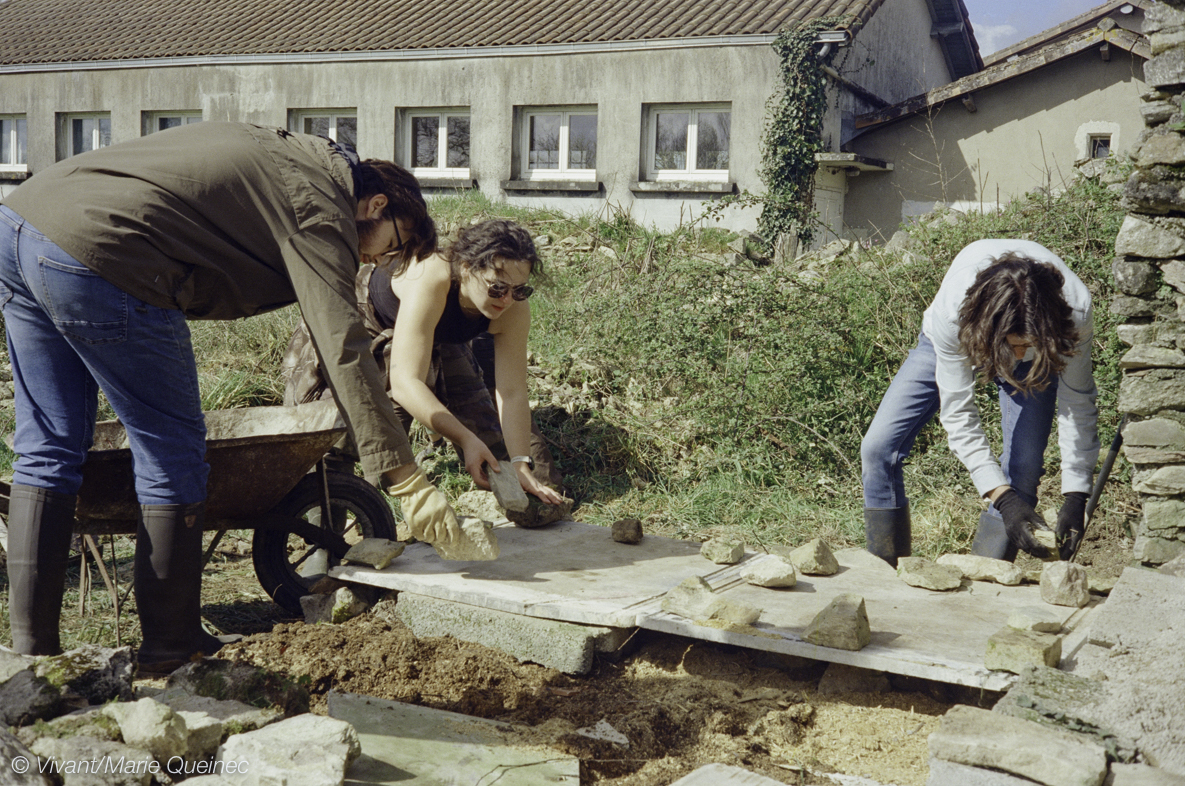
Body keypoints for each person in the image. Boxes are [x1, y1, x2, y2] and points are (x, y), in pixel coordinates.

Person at [0, 121, 470, 667]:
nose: (379, 261)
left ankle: (31, 658)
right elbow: (342, 343)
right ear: (377, 204)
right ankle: (170, 651)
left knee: (49, 446)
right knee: (172, 452)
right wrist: (404, 475)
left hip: (20, 223)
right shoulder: (320, 202)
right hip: (107, 249)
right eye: (395, 244)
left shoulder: (290, 157)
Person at [283, 218, 564, 505]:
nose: (506, 300)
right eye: (497, 288)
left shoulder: (513, 307)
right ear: (466, 268)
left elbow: (512, 392)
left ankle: (517, 505)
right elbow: (407, 382)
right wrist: (465, 439)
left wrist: (519, 462)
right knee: (345, 425)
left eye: (519, 290)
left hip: (437, 336)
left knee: (488, 433)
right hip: (363, 322)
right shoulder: (431, 276)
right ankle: (337, 524)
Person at [860, 239, 1099, 566]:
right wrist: (1003, 500)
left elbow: (1078, 402)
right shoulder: (953, 314)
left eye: (1024, 345)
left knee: (1023, 470)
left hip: (1043, 346)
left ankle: (986, 582)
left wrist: (1076, 494)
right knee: (877, 447)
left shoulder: (1074, 315)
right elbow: (958, 414)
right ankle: (887, 575)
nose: (1016, 356)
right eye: (1012, 345)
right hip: (965, 337)